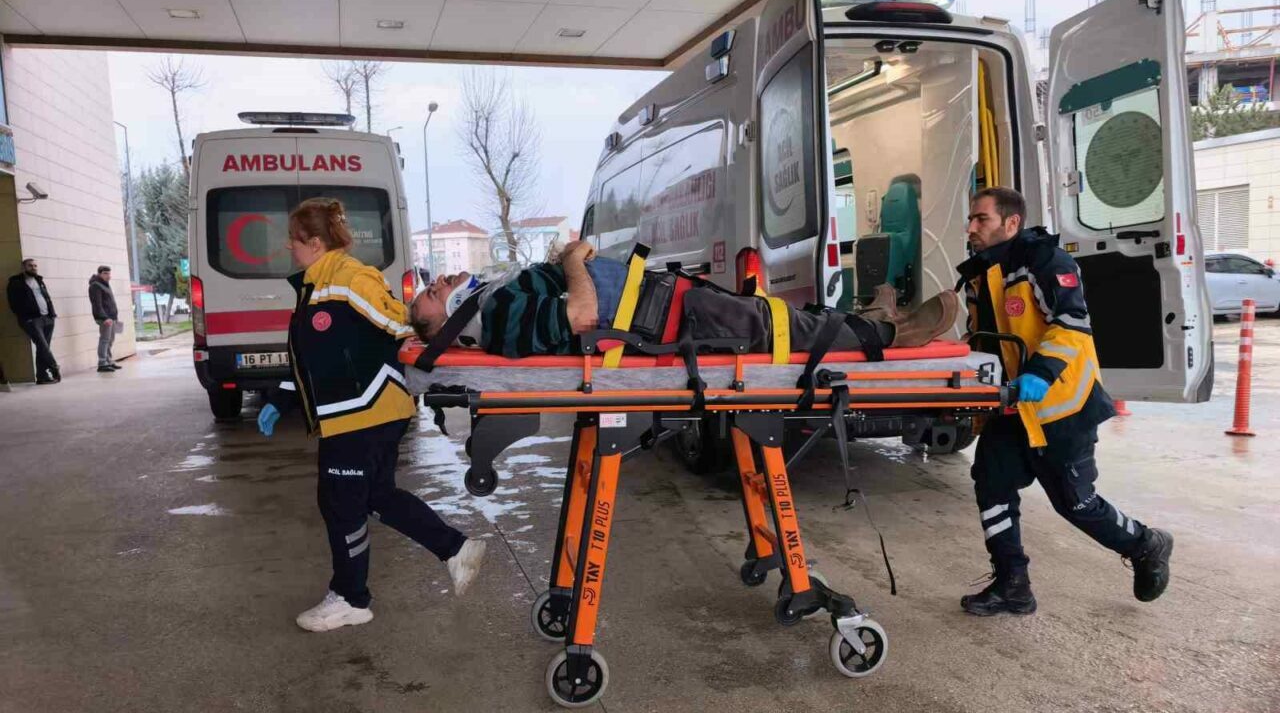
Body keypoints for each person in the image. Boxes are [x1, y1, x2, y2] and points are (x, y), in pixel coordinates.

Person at [257, 198, 486, 632]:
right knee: (375, 496)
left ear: (316, 243)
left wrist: (438, 347)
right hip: (354, 413)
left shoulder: (349, 278)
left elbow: (405, 324)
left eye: (295, 239)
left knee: (341, 503)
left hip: (365, 412)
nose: (289, 246)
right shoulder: (316, 284)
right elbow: (312, 357)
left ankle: (350, 598)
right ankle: (456, 550)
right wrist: (282, 397)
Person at [955, 186, 1173, 616]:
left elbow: (1072, 323)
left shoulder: (1045, 262)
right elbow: (983, 338)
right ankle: (1012, 584)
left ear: (1011, 223)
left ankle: (1146, 544)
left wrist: (1040, 374)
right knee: (991, 484)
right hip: (1012, 409)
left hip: (1061, 408)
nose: (971, 228)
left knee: (1076, 503)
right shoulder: (981, 273)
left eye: (981, 219)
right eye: (971, 219)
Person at [409, 240, 958, 358]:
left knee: (777, 317)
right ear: (446, 324)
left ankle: (867, 321)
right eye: (432, 296)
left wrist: (566, 264)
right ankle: (892, 333)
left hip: (662, 307)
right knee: (778, 327)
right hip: (663, 322)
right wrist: (574, 259)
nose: (439, 283)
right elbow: (582, 314)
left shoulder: (498, 303)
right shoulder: (498, 317)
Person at [6, 258, 60, 384]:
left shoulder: (39, 280)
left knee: (43, 348)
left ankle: (42, 376)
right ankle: (54, 367)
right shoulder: (15, 282)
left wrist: (52, 315)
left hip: (48, 318)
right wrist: (26, 317)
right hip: (32, 320)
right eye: (30, 266)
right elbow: (13, 303)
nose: (34, 268)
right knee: (42, 345)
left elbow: (46, 297)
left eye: (35, 266)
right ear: (23, 268)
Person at [89, 265, 121, 373]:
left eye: (109, 273)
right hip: (105, 318)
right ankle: (102, 363)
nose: (108, 276)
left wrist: (115, 317)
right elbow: (97, 304)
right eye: (105, 273)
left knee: (110, 340)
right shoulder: (95, 286)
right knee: (104, 340)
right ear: (99, 274)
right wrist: (104, 318)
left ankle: (108, 361)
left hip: (112, 317)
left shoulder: (105, 284)